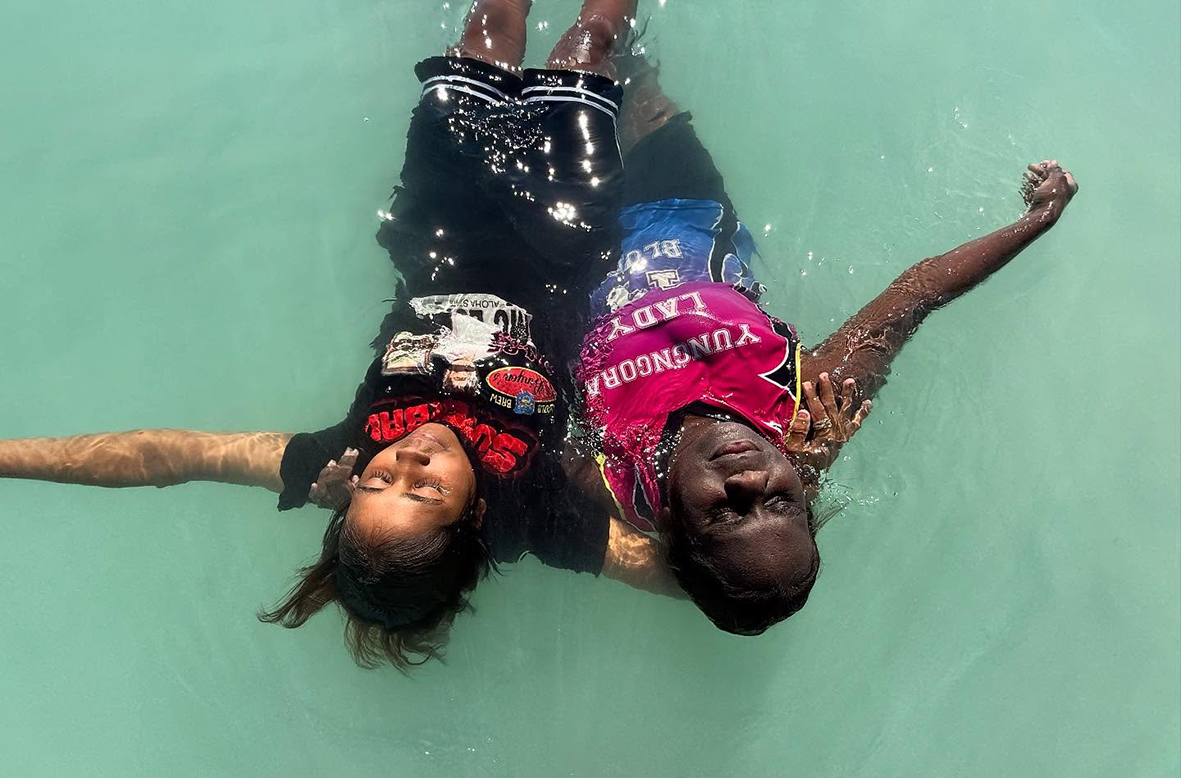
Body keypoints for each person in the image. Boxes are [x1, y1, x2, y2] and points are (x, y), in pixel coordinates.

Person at [0, 0, 680, 672]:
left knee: (488, 31)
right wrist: (741, 554)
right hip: (557, 246)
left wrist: (8, 458)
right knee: (590, 44)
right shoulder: (533, 513)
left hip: (441, 231)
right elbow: (673, 572)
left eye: (380, 482)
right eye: (425, 491)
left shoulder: (343, 457)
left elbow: (169, 457)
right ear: (473, 520)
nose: (408, 460)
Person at [571, 53, 1079, 636]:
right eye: (780, 502)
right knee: (627, 73)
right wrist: (1041, 218)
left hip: (566, 251)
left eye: (725, 512)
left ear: (672, 524)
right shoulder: (803, 402)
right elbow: (916, 294)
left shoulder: (613, 479)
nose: (750, 482)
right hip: (682, 211)